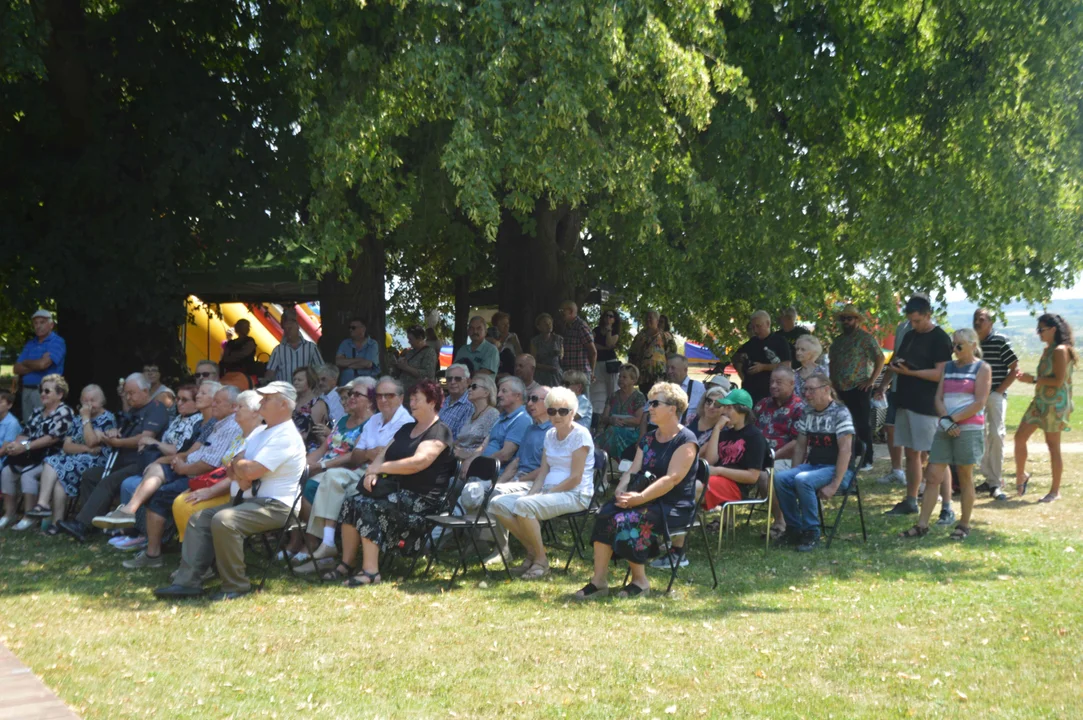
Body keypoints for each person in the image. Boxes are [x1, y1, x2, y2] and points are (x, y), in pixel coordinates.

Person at [154, 381, 307, 600]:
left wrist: (242, 469)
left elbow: (250, 469)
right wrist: (240, 469)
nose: (261, 401)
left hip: (276, 507)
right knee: (199, 518)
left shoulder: (286, 436)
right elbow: (232, 461)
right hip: (249, 502)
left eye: (267, 398)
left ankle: (236, 586)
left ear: (284, 404)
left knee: (225, 520)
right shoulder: (261, 431)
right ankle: (187, 582)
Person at [323, 379, 455, 586]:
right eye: (410, 399)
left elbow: (418, 462)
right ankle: (347, 564)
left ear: (432, 402)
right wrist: (370, 473)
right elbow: (383, 454)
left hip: (423, 500)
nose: (411, 403)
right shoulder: (406, 429)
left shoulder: (439, 431)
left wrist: (380, 469)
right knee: (351, 502)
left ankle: (371, 572)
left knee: (368, 506)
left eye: (416, 399)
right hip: (398, 491)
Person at [575, 382, 698, 599]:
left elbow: (672, 479)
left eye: (655, 403)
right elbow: (633, 469)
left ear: (672, 408)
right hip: (643, 499)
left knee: (628, 519)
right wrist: (621, 491)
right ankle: (599, 581)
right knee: (606, 513)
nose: (648, 408)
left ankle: (640, 582)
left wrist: (639, 498)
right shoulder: (649, 438)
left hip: (673, 505)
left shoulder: (686, 440)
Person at [102, 386, 243, 569]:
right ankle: (129, 512)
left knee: (159, 495)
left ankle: (158, 554)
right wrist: (175, 461)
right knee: (156, 469)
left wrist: (183, 467)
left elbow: (210, 465)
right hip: (190, 468)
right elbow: (193, 453)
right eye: (213, 400)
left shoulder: (230, 426)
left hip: (203, 477)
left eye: (217, 401)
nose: (213, 404)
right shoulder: (217, 423)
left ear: (233, 406)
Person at [490, 387, 595, 579]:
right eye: (552, 411)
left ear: (572, 412)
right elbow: (544, 471)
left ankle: (540, 561)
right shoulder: (550, 435)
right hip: (549, 490)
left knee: (524, 506)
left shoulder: (580, 435)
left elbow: (575, 478)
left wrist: (546, 494)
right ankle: (534, 552)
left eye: (563, 411)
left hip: (576, 494)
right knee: (499, 504)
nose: (557, 415)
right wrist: (534, 493)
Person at [658, 388, 768, 569]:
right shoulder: (725, 432)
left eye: (729, 408)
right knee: (676, 485)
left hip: (735, 486)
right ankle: (670, 539)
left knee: (690, 490)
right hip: (715, 478)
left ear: (743, 410)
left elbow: (752, 476)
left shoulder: (754, 436)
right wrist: (717, 429)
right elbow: (709, 460)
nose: (724, 412)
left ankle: (677, 550)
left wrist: (719, 471)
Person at [57, 373, 171, 543]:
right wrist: (114, 433)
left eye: (131, 393)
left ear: (145, 391)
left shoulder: (156, 409)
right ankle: (94, 524)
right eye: (126, 393)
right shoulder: (133, 410)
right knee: (90, 475)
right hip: (120, 460)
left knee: (108, 481)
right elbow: (121, 434)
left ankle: (81, 524)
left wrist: (118, 442)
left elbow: (144, 438)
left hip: (142, 462)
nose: (128, 397)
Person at [900, 329, 991, 540]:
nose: (955, 350)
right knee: (933, 475)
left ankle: (964, 524)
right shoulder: (948, 367)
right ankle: (922, 525)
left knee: (965, 475)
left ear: (973, 345)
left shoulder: (982, 368)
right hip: (945, 427)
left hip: (968, 428)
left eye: (959, 345)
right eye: (953, 345)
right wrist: (946, 420)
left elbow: (979, 402)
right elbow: (938, 397)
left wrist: (953, 420)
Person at [298, 377, 388, 565]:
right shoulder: (342, 420)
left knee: (309, 486)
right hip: (328, 467)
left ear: (371, 400)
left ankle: (314, 542)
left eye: (356, 394)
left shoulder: (372, 423)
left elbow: (354, 457)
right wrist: (303, 465)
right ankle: (300, 542)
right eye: (350, 395)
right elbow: (324, 449)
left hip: (346, 470)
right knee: (298, 479)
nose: (350, 398)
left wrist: (320, 467)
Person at [883, 296, 954, 521]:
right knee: (911, 454)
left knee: (937, 455)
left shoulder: (940, 338)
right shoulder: (910, 335)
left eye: (917, 321)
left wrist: (911, 373)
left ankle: (947, 507)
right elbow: (898, 360)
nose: (913, 325)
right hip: (906, 401)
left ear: (928, 315)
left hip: (927, 405)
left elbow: (940, 373)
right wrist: (892, 373)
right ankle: (911, 500)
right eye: (910, 321)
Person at [774, 372, 855, 551]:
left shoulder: (840, 413)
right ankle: (794, 529)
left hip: (838, 470)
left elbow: (845, 450)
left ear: (826, 389)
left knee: (803, 480)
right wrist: (793, 473)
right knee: (780, 478)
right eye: (805, 390)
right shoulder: (807, 411)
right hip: (813, 466)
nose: (807, 394)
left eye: (811, 390)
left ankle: (812, 532)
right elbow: (800, 447)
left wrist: (834, 485)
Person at [170, 390, 265, 543]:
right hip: (226, 485)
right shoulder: (241, 435)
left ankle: (200, 556)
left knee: (188, 506)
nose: (235, 410)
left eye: (240, 407)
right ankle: (190, 554)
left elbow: (242, 474)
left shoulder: (260, 437)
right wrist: (203, 483)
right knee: (182, 500)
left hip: (240, 494)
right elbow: (226, 468)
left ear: (255, 412)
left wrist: (211, 490)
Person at [24, 384, 115, 528]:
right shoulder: (77, 419)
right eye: (85, 401)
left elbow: (92, 441)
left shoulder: (107, 418)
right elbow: (67, 446)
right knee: (57, 472)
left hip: (96, 463)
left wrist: (86, 420)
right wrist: (85, 448)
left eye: (93, 400)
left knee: (56, 467)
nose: (89, 405)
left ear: (102, 401)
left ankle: (44, 507)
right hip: (75, 459)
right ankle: (54, 520)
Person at [1014, 314, 1076, 503]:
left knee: (1053, 446)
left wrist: (1031, 379)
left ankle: (1055, 491)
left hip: (1054, 404)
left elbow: (1058, 381)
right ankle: (1021, 476)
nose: (1038, 333)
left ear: (1053, 330)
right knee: (1019, 437)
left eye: (1041, 329)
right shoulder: (1048, 350)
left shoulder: (1060, 350)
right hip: (1040, 401)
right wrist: (1029, 378)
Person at [0, 374, 75, 530]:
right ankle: (9, 514)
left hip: (53, 458)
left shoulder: (65, 412)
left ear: (60, 394)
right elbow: (25, 433)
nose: (42, 394)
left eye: (47, 391)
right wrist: (15, 444)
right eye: (41, 390)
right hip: (32, 455)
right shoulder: (37, 412)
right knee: (7, 471)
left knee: (28, 474)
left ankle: (30, 516)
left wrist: (25, 446)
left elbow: (52, 439)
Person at [829, 304, 885, 470]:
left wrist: (871, 381)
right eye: (843, 318)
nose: (846, 321)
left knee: (862, 424)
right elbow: (832, 363)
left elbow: (880, 358)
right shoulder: (837, 342)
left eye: (849, 318)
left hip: (859, 388)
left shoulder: (865, 338)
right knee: (843, 424)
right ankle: (849, 457)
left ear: (856, 320)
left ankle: (867, 459)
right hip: (839, 389)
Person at [972, 309, 1019, 500]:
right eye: (975, 319)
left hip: (995, 395)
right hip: (977, 396)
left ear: (990, 323)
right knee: (979, 435)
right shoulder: (973, 343)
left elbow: (1015, 367)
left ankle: (995, 481)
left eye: (981, 320)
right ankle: (990, 479)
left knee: (996, 434)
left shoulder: (999, 340)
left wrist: (999, 390)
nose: (977, 323)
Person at [874, 318, 913, 486]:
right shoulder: (902, 327)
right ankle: (897, 470)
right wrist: (883, 385)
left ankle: (917, 475)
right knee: (890, 427)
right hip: (897, 388)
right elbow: (896, 357)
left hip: (916, 391)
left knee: (913, 432)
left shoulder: (933, 332)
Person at [12, 309, 66, 422]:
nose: (38, 326)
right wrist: (37, 363)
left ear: (51, 325)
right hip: (27, 390)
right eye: (35, 323)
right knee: (29, 426)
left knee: (46, 425)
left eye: (42, 322)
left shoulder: (57, 342)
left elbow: (43, 365)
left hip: (46, 391)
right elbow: (16, 368)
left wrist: (26, 362)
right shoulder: (30, 344)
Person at [735, 310, 792, 405]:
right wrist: (741, 372)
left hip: (770, 392)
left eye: (758, 326)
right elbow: (735, 358)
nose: (755, 330)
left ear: (768, 324)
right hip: (749, 392)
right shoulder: (751, 343)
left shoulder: (780, 341)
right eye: (753, 327)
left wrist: (763, 367)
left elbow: (787, 365)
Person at [754, 366, 804, 465]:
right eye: (771, 382)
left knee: (762, 474)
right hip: (756, 456)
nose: (773, 385)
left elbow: (798, 442)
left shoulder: (800, 408)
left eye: (778, 382)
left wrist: (772, 457)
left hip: (784, 459)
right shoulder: (763, 403)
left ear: (792, 384)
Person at [595, 364, 646, 459]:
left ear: (633, 381)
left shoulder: (639, 397)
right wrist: (611, 420)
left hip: (631, 434)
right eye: (619, 377)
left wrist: (622, 421)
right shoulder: (613, 396)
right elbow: (604, 418)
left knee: (612, 431)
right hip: (612, 432)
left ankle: (598, 455)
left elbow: (639, 420)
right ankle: (600, 456)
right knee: (612, 431)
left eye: (624, 377)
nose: (620, 379)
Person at [452, 375, 501, 462]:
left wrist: (466, 454)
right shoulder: (471, 413)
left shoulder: (492, 414)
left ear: (486, 392)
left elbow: (487, 445)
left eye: (474, 387)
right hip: (457, 460)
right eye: (470, 386)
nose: (469, 389)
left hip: (473, 463)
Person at [266, 313, 324, 384]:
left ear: (297, 327)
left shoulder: (311, 347)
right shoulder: (278, 350)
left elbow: (320, 369)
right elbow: (270, 371)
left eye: (290, 328)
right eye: (285, 329)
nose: (287, 331)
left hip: (306, 390)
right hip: (285, 391)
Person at [628, 310, 677, 394]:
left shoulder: (665, 336)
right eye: (646, 318)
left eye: (651, 318)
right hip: (643, 376)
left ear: (657, 320)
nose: (648, 320)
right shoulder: (640, 336)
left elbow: (673, 353)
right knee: (646, 398)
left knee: (659, 398)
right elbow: (632, 354)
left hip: (660, 375)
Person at [291, 366, 330, 447]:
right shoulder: (291, 401)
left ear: (310, 381)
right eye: (294, 379)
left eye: (300, 380)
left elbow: (313, 432)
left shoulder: (318, 404)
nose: (295, 382)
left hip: (310, 447)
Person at [591, 309, 621, 413]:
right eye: (606, 315)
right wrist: (604, 348)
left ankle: (612, 412)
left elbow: (609, 343)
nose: (608, 318)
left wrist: (609, 331)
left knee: (612, 389)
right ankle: (597, 413)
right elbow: (591, 344)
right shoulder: (596, 330)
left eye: (611, 316)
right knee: (596, 390)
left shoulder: (615, 332)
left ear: (614, 319)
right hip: (598, 362)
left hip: (610, 363)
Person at [334, 316, 380, 383]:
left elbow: (368, 364)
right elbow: (338, 362)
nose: (350, 330)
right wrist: (360, 360)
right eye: (349, 327)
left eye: (353, 328)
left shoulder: (372, 344)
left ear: (363, 328)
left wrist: (347, 365)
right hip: (346, 385)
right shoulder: (345, 343)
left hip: (366, 385)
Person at [394, 325, 438, 393]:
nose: (408, 342)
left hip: (418, 394)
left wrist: (406, 368)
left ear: (420, 338)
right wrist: (400, 359)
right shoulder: (410, 352)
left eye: (411, 339)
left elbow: (428, 375)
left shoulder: (429, 353)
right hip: (404, 392)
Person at [558, 301, 596, 381]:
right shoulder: (567, 327)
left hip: (581, 374)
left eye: (562, 311)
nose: (560, 313)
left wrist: (592, 372)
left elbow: (593, 352)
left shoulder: (580, 326)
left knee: (582, 394)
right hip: (568, 373)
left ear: (571, 311)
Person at [666, 354, 705, 424]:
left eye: (673, 368)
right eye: (667, 368)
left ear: (685, 370)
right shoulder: (662, 388)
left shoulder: (698, 388)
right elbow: (646, 414)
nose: (669, 371)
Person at [439, 364, 474, 440]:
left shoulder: (470, 405)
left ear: (467, 381)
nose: (453, 382)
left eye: (458, 379)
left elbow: (460, 439)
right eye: (449, 379)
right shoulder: (443, 400)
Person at [530, 312, 564, 386]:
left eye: (550, 323)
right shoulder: (535, 341)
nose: (548, 325)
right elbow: (533, 362)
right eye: (545, 323)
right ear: (539, 327)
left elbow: (561, 357)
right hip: (541, 375)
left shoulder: (559, 339)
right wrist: (547, 367)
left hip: (556, 375)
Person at [793, 334, 825, 398]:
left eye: (803, 350)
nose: (798, 353)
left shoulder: (822, 371)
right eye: (797, 349)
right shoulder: (794, 374)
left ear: (813, 352)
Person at [0, 391, 21, 472]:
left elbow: (4, 450)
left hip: (4, 459)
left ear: (9, 405)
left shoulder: (12, 423)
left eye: (0, 402)